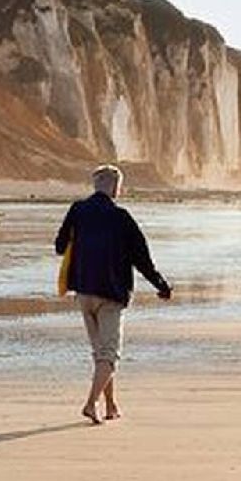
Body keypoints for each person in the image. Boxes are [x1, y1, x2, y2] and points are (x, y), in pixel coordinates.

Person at [54, 164, 171, 424]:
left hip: (83, 292)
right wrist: (161, 285)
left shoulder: (77, 210)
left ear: (96, 185)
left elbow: (60, 247)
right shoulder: (122, 217)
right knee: (109, 354)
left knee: (100, 354)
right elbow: (142, 259)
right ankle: (91, 403)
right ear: (116, 187)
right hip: (111, 294)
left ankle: (110, 405)